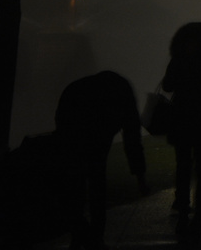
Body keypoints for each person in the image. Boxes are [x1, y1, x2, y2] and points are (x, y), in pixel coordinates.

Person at [55, 70, 148, 250]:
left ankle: (82, 235)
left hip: (73, 126)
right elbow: (132, 139)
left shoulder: (79, 91)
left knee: (75, 186)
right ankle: (93, 237)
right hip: (86, 129)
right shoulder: (121, 98)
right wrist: (140, 177)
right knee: (96, 183)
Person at [163, 22, 201, 233]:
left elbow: (167, 85)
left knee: (183, 163)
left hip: (182, 117)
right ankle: (200, 204)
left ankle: (182, 201)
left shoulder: (178, 58)